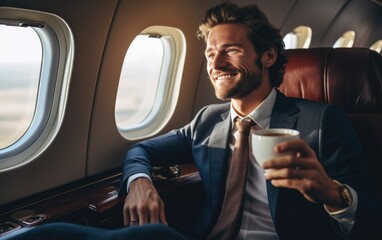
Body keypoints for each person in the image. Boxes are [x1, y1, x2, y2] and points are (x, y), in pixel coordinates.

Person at [120, 1, 381, 240]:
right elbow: (140, 150)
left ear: (268, 56)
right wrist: (140, 183)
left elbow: (371, 220)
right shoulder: (207, 121)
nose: (216, 64)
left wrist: (333, 194)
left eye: (231, 50)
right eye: (211, 54)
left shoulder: (322, 122)